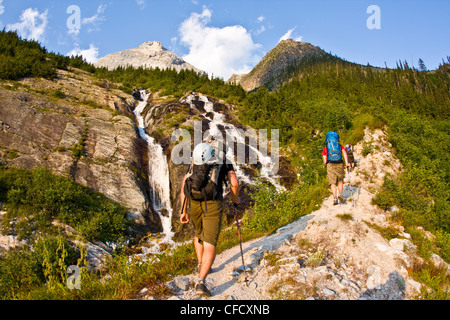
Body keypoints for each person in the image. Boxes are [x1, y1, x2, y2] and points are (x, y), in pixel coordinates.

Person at [180, 143, 240, 297]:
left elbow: (184, 185)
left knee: (199, 234)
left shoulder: (195, 161)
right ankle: (201, 281)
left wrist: (183, 210)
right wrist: (235, 200)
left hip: (194, 203)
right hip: (212, 204)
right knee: (210, 243)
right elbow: (233, 182)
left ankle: (200, 264)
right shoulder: (223, 160)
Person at [322, 132, 350, 205]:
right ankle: (340, 194)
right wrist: (347, 163)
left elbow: (324, 158)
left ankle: (335, 198)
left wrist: (326, 164)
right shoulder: (339, 146)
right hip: (339, 163)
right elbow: (344, 153)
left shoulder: (327, 147)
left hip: (330, 164)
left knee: (332, 182)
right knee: (340, 180)